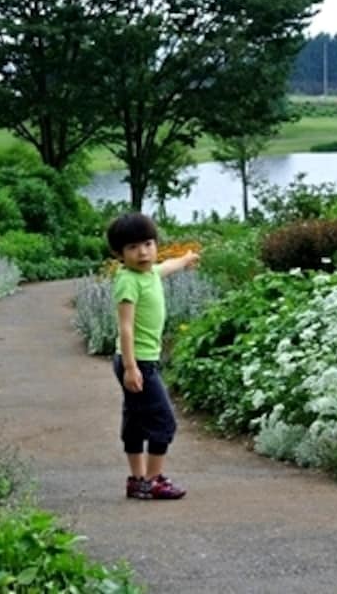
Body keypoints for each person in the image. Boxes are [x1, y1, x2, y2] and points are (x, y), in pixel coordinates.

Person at [106, 212, 199, 500]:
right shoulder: (129, 281)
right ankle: (154, 479)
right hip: (138, 363)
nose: (143, 252)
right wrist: (131, 367)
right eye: (133, 247)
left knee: (135, 420)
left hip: (139, 361)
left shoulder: (149, 274)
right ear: (119, 254)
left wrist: (185, 260)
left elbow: (166, 267)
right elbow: (125, 327)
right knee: (164, 421)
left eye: (148, 244)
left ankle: (137, 481)